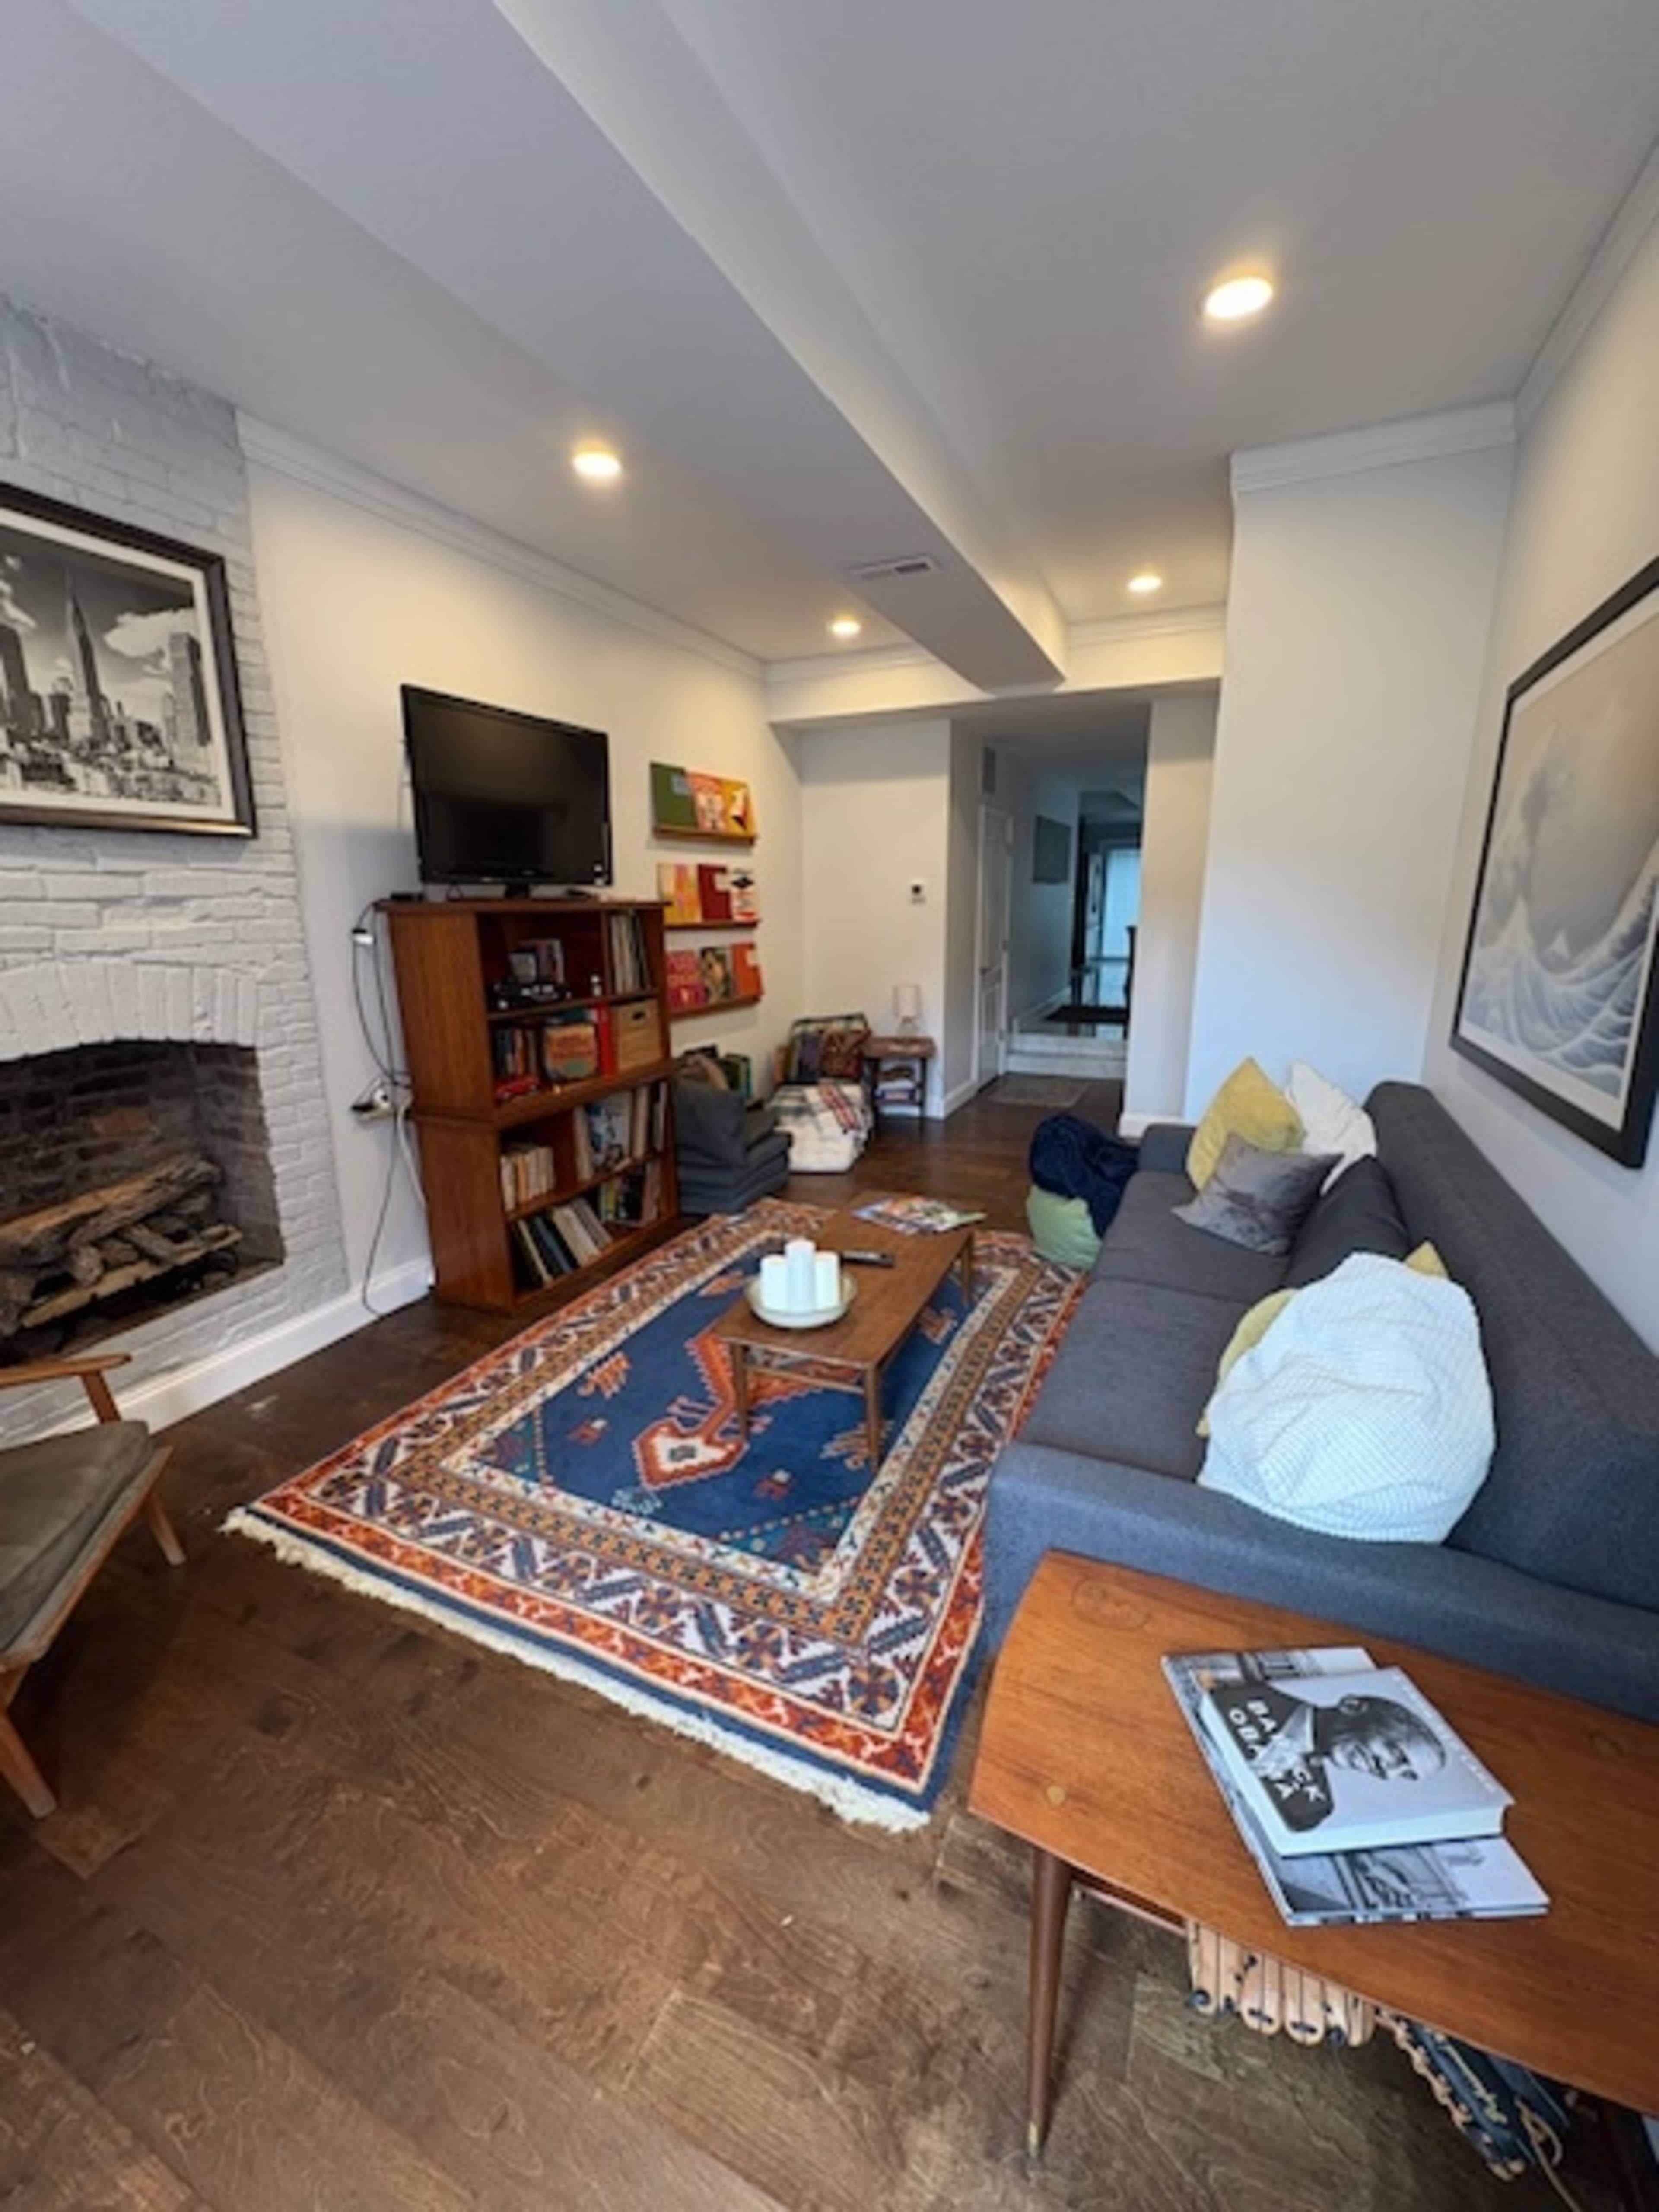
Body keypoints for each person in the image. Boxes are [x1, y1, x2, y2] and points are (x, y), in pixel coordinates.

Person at [1216, 1684, 1446, 1834]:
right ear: (1352, 1707)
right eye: (1397, 1753)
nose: (1387, 1774)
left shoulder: (1312, 1807)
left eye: (1406, 1775)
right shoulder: (1245, 1692)